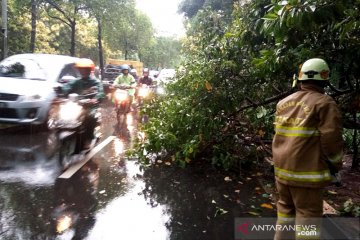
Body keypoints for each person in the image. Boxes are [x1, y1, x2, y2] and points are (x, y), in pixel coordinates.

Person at [272, 58, 344, 239]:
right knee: (308, 221)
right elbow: (331, 141)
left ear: (300, 79)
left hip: (281, 173)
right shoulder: (324, 103)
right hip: (306, 177)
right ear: (325, 79)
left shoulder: (283, 103)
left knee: (285, 216)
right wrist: (336, 165)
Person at [61, 58, 105, 148]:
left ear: (89, 70)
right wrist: (60, 91)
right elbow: (66, 87)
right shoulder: (76, 81)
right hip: (77, 106)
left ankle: (89, 138)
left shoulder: (95, 82)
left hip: (91, 107)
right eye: (81, 69)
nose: (83, 71)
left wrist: (96, 99)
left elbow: (101, 92)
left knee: (90, 117)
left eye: (86, 69)